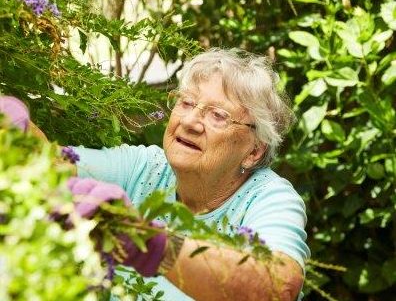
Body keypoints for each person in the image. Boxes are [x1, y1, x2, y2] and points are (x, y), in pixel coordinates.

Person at [1, 48, 310, 300]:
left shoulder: (269, 199)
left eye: (218, 115)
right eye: (187, 102)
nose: (190, 121)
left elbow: (278, 287)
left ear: (254, 150)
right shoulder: (147, 167)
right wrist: (17, 133)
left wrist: (149, 244)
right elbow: (53, 166)